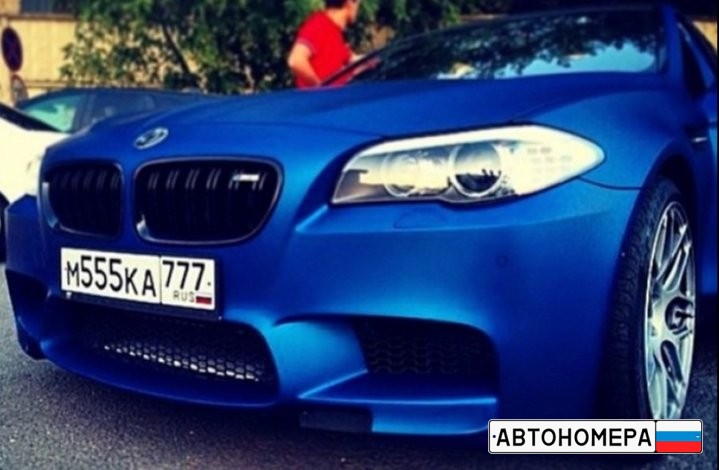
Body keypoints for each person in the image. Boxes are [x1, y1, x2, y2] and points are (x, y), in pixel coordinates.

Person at [287, 0, 361, 89]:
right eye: (358, 3)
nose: (357, 9)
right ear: (349, 3)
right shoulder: (319, 24)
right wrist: (320, 88)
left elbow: (353, 60)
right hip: (321, 97)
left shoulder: (335, 33)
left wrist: (373, 61)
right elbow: (296, 60)